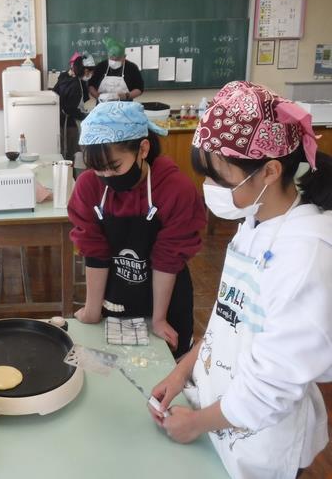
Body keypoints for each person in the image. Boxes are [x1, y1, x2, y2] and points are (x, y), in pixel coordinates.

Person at [149, 81, 332, 478]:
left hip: (263, 437)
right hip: (221, 412)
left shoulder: (305, 254)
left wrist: (198, 422)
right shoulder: (256, 219)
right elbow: (227, 315)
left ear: (269, 171)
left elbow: (274, 386)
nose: (210, 190)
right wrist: (183, 371)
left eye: (221, 180)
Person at [67, 101, 206, 358]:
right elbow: (94, 250)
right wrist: (91, 309)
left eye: (114, 166)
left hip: (167, 294)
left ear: (143, 149)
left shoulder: (175, 188)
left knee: (165, 372)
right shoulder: (89, 186)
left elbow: (168, 257)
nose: (106, 175)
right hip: (115, 292)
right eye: (97, 168)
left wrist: (159, 319)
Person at [52, 52, 95, 161]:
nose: (90, 75)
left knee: (66, 153)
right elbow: (70, 109)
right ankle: (70, 176)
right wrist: (87, 116)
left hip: (60, 121)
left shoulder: (64, 77)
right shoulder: (75, 85)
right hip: (69, 124)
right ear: (85, 70)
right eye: (90, 71)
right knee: (69, 154)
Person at [88, 37, 144, 103]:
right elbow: (91, 85)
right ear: (108, 56)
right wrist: (98, 96)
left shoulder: (132, 68)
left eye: (117, 59)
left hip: (125, 105)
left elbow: (139, 88)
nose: (114, 61)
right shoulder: (101, 66)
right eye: (111, 58)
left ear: (124, 56)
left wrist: (127, 96)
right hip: (102, 106)